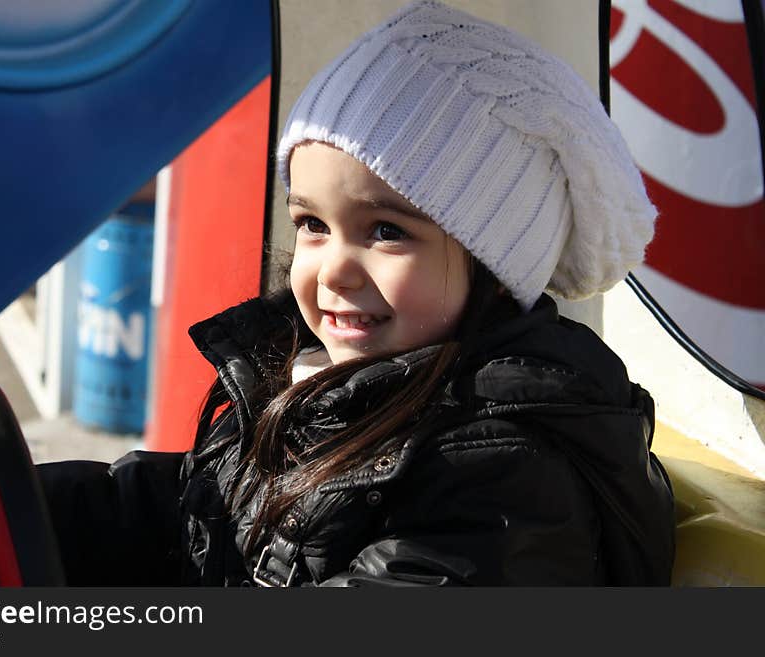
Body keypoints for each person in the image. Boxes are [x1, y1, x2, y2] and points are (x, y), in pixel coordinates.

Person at [39, 0, 675, 586]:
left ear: (495, 268)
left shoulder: (501, 474)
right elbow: (192, 511)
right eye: (313, 225)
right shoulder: (316, 383)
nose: (333, 270)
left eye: (386, 231)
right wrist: (22, 512)